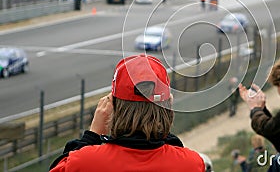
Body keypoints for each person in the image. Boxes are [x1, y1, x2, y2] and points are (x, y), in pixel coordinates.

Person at [49, 54, 205, 172]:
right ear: (167, 106)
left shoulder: (83, 162)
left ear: (113, 107)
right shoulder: (191, 164)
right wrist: (161, 125)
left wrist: (92, 135)